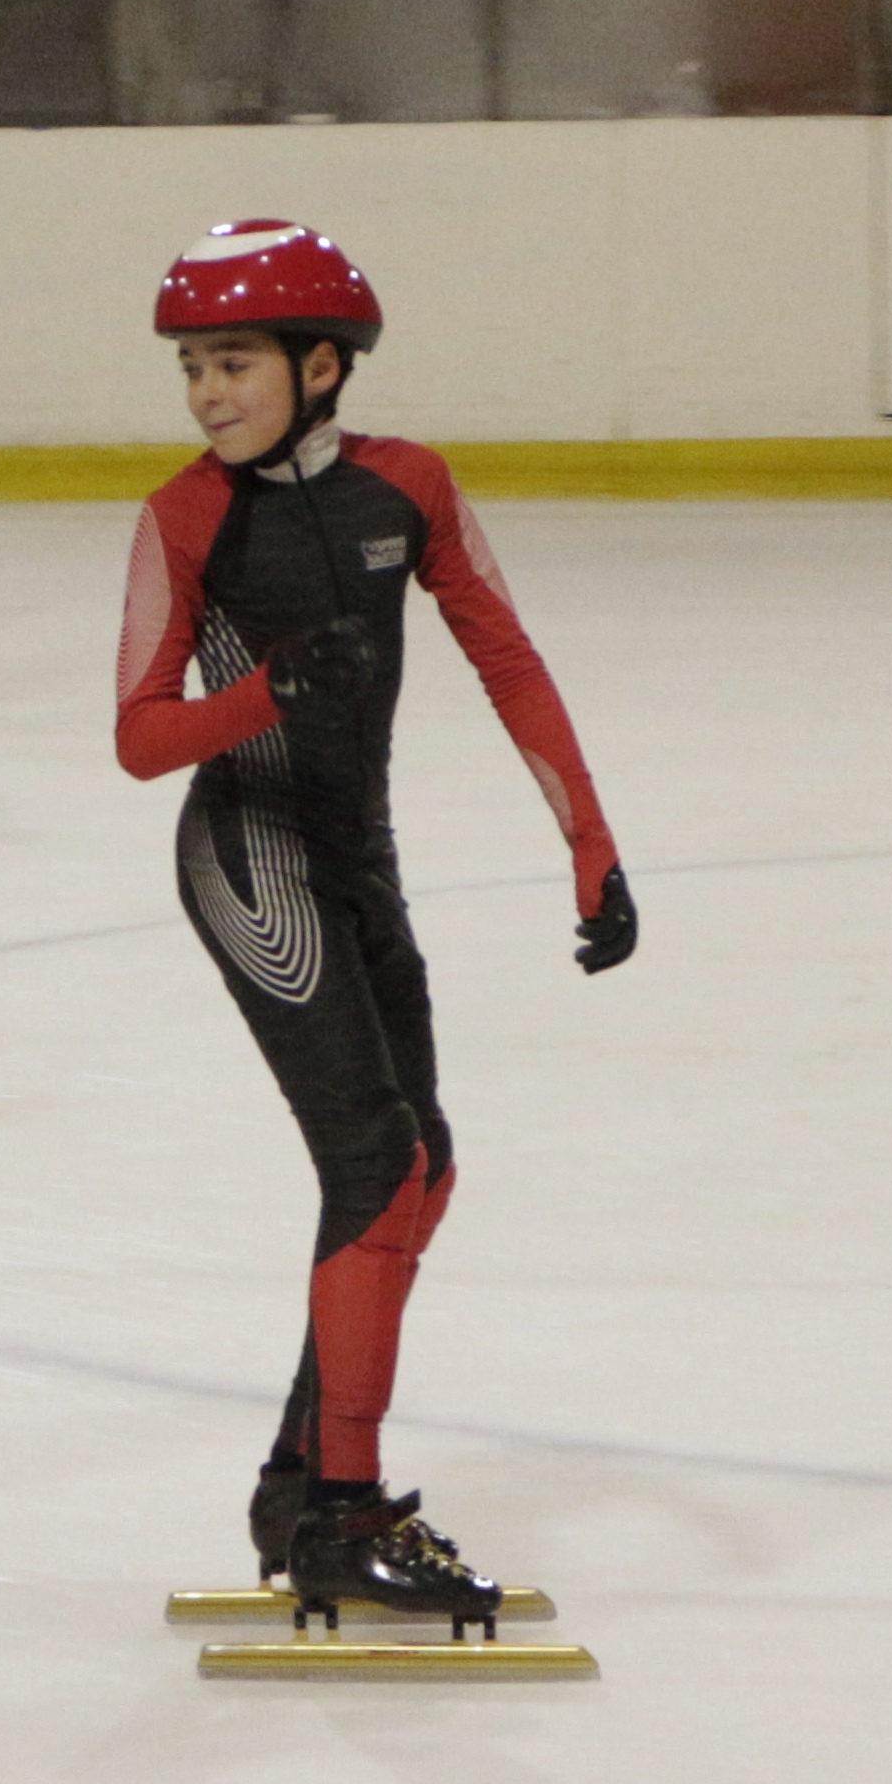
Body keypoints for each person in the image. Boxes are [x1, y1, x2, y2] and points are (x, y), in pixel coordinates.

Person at [113, 220, 639, 1621]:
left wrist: (588, 844)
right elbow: (138, 736)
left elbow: (504, 655)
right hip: (246, 848)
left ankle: (299, 1478)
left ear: (321, 364)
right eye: (189, 368)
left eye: (231, 364)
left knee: (423, 1161)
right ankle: (342, 1509)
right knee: (373, 1156)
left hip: (357, 851)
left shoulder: (406, 487)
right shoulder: (185, 516)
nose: (204, 394)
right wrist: (270, 689)